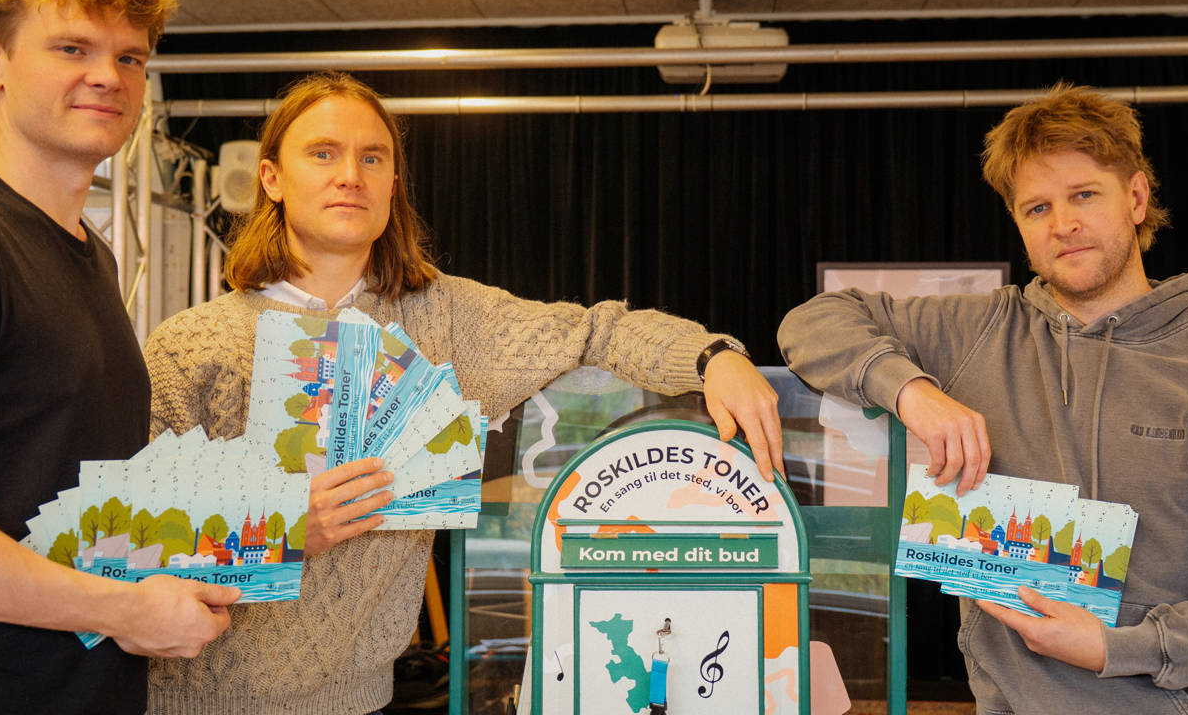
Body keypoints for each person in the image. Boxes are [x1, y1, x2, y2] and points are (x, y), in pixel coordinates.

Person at [143, 70, 785, 714]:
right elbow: (130, 547)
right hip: (192, 700)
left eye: (373, 158)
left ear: (393, 185)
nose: (351, 176)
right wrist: (279, 527)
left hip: (363, 701)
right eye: (323, 153)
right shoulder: (190, 345)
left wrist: (713, 357)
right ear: (271, 178)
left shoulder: (446, 320)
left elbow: (596, 331)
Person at [778, 82, 1188, 713]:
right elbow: (812, 322)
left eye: (1084, 194)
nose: (1063, 224)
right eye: (1037, 208)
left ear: (1137, 197)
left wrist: (1117, 648)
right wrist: (912, 391)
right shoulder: (978, 331)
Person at [0, 0, 241, 712]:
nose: (107, 76)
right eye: (72, 48)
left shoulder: (90, 254)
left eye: (129, 57)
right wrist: (122, 610)